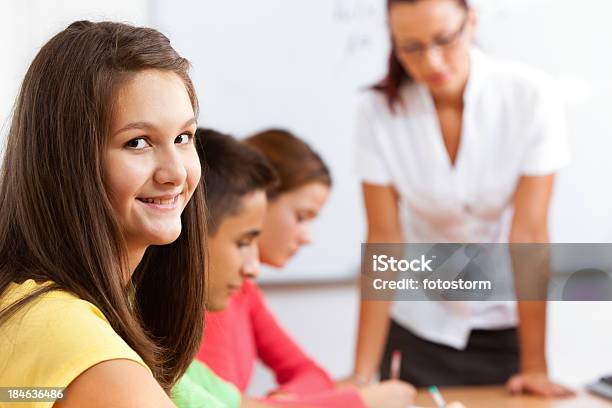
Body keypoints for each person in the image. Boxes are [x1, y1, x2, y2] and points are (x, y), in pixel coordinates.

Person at [350, 0, 573, 397]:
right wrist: (362, 373)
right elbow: (384, 238)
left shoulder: (529, 97)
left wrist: (535, 364)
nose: (432, 61)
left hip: (505, 327)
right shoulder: (377, 111)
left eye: (444, 39)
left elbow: (529, 237)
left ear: (470, 21)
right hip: (418, 325)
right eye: (411, 47)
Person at [0, 21, 208, 407]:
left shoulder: (29, 301)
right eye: (137, 142)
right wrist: (360, 375)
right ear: (67, 161)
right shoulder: (76, 342)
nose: (176, 173)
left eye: (184, 137)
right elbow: (365, 241)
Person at [197, 129, 417, 408]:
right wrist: (359, 401)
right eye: (301, 217)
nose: (307, 237)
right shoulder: (205, 303)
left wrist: (286, 403)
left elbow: (310, 373)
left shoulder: (244, 292)